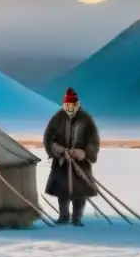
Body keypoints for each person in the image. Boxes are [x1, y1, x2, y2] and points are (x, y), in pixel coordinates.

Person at [42, 87, 100, 226]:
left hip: (80, 162)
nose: (70, 107)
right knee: (62, 191)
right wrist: (57, 149)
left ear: (77, 104)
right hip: (62, 161)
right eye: (67, 104)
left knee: (80, 192)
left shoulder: (86, 120)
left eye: (72, 104)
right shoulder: (57, 118)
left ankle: (77, 218)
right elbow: (48, 138)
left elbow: (93, 140)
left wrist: (84, 152)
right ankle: (63, 216)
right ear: (64, 104)